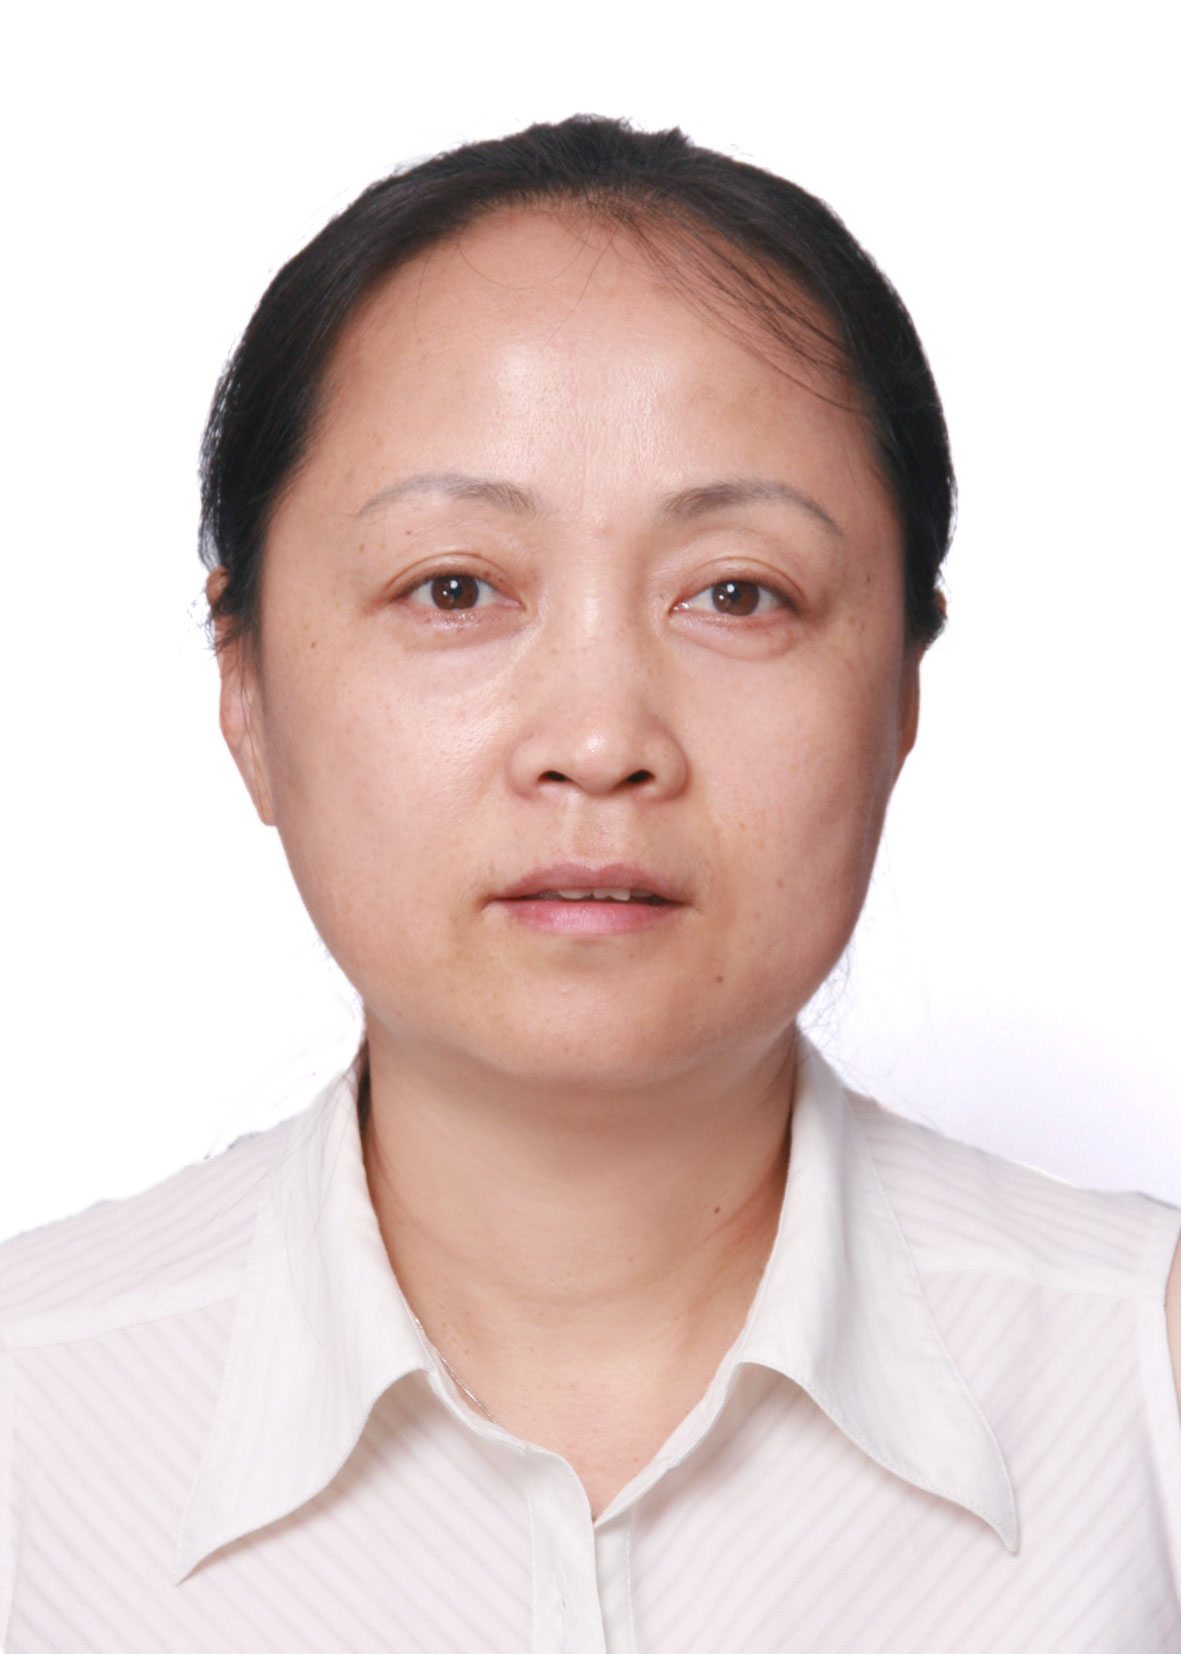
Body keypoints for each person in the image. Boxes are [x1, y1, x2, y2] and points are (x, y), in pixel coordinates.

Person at [1, 115, 1178, 1652]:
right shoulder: (33, 1418)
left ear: (901, 689)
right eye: (453, 587)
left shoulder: (1143, 1379)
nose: (602, 739)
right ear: (245, 689)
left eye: (738, 592)